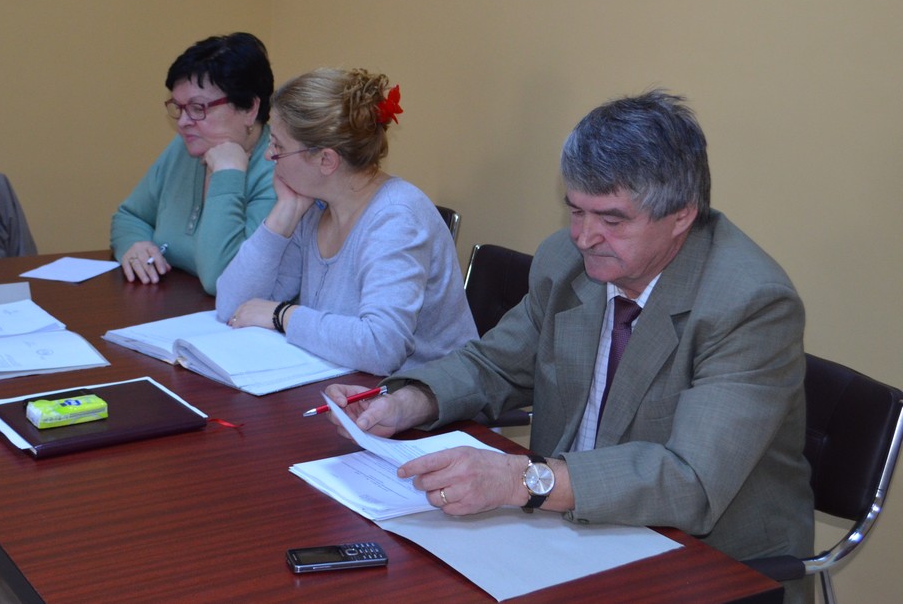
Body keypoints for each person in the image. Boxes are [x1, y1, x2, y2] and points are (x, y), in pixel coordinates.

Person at [325, 90, 813, 602]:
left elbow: (689, 480)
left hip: (705, 563)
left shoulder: (749, 304)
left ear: (681, 215)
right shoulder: (567, 262)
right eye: (575, 210)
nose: (583, 237)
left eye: (612, 220)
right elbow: (496, 365)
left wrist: (522, 479)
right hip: (564, 534)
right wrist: (407, 400)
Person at [216, 67, 477, 376]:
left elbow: (381, 348)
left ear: (326, 160)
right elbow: (233, 307)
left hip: (426, 397)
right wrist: (284, 212)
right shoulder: (315, 206)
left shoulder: (396, 219)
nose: (268, 156)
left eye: (278, 147)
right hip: (349, 383)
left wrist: (282, 315)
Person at [110, 32, 276, 295]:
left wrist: (227, 174)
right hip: (165, 303)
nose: (183, 122)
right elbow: (130, 216)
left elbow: (222, 278)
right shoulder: (186, 147)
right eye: (178, 107)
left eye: (198, 108)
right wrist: (135, 244)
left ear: (250, 109)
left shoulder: (279, 172)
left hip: (232, 317)